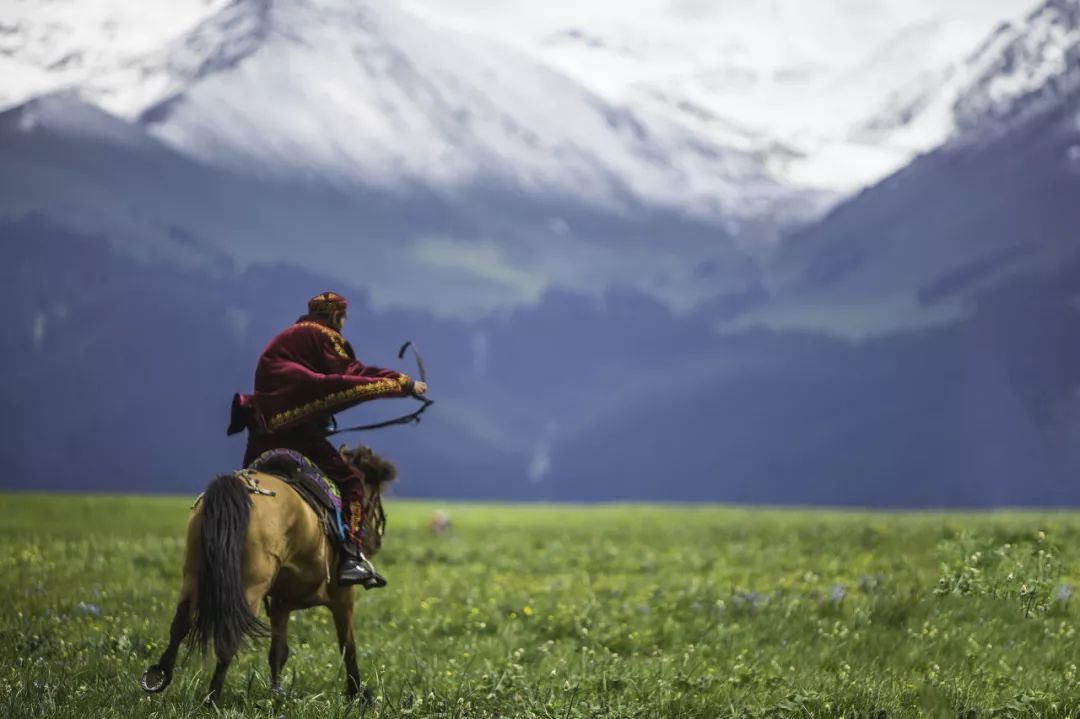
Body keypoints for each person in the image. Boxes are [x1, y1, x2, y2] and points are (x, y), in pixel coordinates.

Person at [227, 291, 427, 587]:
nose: (343, 324)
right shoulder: (325, 336)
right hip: (297, 434)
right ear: (335, 315)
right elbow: (353, 373)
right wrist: (404, 384)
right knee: (351, 483)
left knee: (246, 484)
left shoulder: (286, 338)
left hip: (261, 432)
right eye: (343, 318)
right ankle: (351, 557)